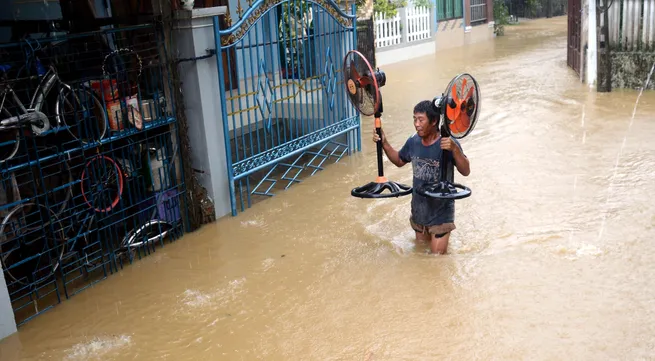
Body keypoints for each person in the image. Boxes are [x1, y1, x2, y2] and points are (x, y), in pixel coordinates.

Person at [372, 100, 470, 254]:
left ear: (434, 121)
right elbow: (398, 160)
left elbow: (466, 171)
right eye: (414, 119)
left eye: (421, 120)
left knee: (436, 259)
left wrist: (455, 150)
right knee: (420, 256)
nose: (417, 124)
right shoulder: (413, 141)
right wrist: (384, 143)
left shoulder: (448, 143)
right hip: (419, 210)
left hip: (441, 213)